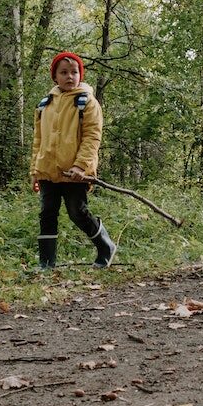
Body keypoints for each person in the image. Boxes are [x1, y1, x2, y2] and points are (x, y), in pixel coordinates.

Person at [30, 51, 116, 270]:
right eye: (64, 73)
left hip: (75, 171)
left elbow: (92, 137)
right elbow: (38, 140)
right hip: (48, 170)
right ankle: (46, 263)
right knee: (47, 213)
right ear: (55, 77)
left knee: (77, 212)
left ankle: (105, 246)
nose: (70, 77)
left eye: (74, 72)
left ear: (80, 74)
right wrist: (35, 171)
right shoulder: (44, 104)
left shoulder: (87, 102)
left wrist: (81, 165)